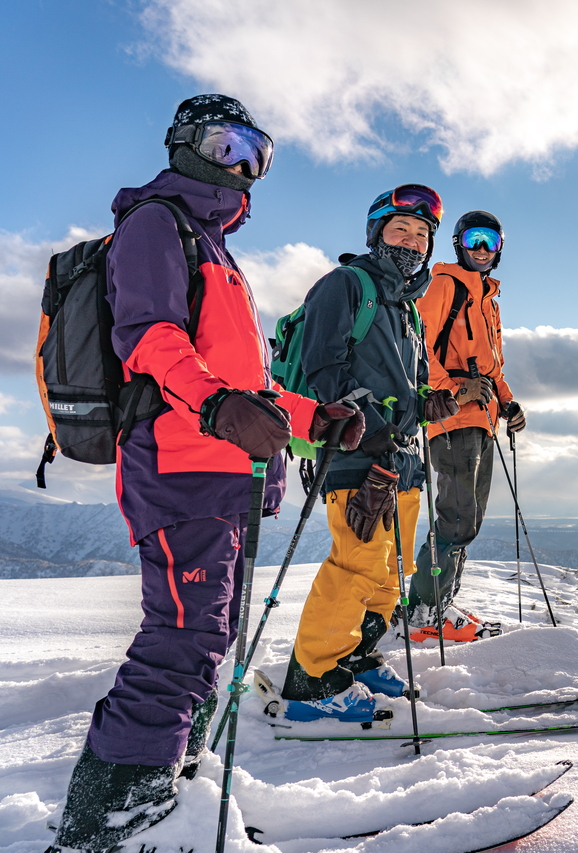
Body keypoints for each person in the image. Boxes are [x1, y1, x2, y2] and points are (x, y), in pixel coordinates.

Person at [51, 94, 365, 852]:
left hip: (226, 473)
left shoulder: (216, 251)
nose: (243, 168)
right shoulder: (157, 223)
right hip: (179, 466)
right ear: (186, 145)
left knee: (208, 636)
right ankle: (107, 823)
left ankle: (164, 797)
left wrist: (310, 417)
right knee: (181, 640)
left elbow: (243, 382)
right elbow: (150, 341)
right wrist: (220, 406)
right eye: (228, 147)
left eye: (256, 153)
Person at [280, 185, 457, 721]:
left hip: (400, 459)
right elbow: (323, 368)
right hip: (355, 451)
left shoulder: (407, 307)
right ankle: (311, 679)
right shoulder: (345, 285)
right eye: (400, 230)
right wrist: (371, 424)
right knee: (355, 566)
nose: (412, 241)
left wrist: (431, 403)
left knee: (389, 571)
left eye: (422, 235)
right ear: (376, 234)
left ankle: (355, 655)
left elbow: (407, 386)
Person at [406, 211, 526, 642]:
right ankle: (423, 612)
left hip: (483, 418)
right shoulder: (446, 285)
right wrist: (452, 390)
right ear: (458, 243)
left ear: (498, 248)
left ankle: (440, 603)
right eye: (473, 239)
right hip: (452, 417)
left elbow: (493, 368)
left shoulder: (488, 301)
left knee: (468, 518)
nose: (481, 248)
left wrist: (508, 403)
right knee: (456, 518)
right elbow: (416, 343)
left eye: (490, 240)